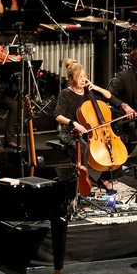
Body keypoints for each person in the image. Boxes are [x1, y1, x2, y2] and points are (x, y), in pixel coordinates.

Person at [55, 59, 125, 192]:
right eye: (79, 77)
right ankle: (86, 182)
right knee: (84, 146)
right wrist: (73, 122)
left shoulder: (88, 92)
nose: (82, 80)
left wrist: (96, 87)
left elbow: (109, 96)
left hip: (90, 131)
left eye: (84, 76)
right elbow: (57, 115)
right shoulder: (65, 94)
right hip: (70, 132)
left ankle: (105, 178)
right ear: (71, 79)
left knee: (114, 145)